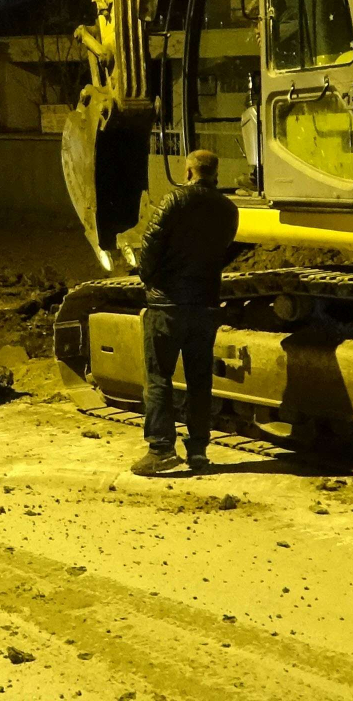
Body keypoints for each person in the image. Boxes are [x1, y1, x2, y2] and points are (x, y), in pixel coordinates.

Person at [131, 150, 240, 476]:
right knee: (199, 380)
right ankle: (198, 450)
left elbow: (149, 248)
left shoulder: (173, 202)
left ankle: (161, 449)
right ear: (215, 173)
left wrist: (151, 281)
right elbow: (225, 251)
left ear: (188, 171)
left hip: (168, 307)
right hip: (204, 305)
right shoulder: (228, 209)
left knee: (159, 377)